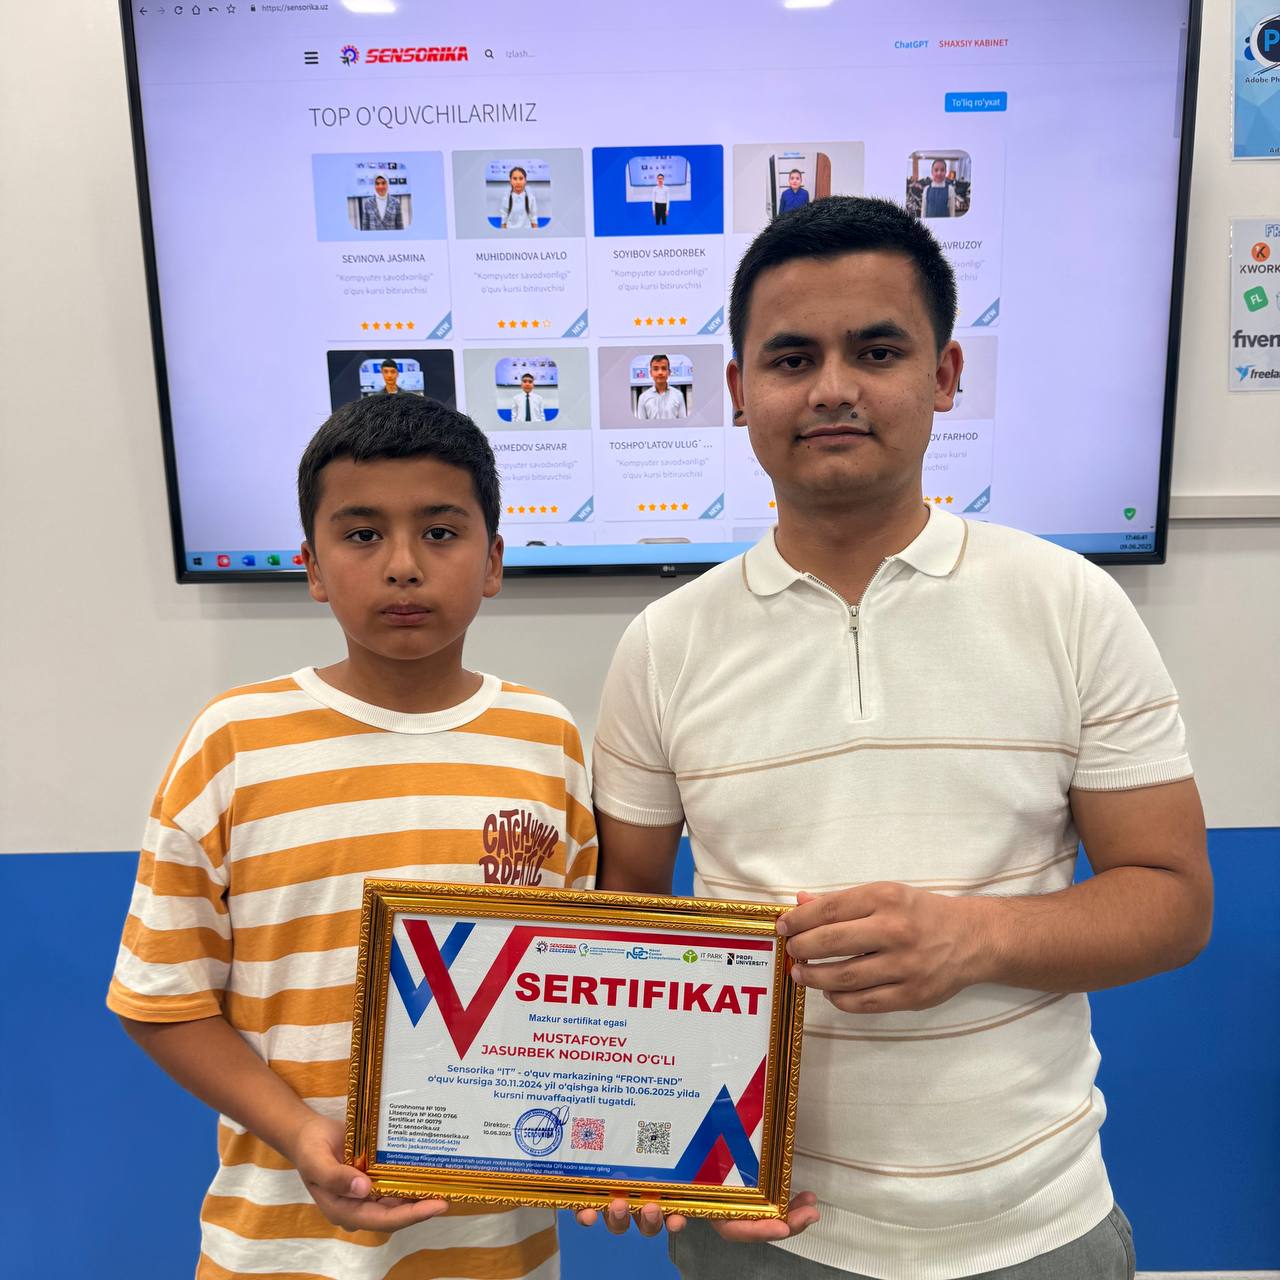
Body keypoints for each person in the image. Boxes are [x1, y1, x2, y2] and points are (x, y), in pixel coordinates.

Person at [590, 196, 1211, 1279]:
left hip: (1035, 1227)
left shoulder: (1069, 604)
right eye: (791, 358)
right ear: (736, 391)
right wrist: (643, 1139)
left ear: (944, 374)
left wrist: (976, 938)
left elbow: (1172, 899)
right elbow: (623, 917)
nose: (832, 387)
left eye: (876, 351)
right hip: (762, 1234)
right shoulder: (663, 644)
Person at [107, 395, 597, 1280]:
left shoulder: (547, 740)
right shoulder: (232, 743)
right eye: (362, 535)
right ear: (313, 567)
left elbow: (581, 988)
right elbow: (161, 996)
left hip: (496, 1250)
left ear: (493, 560)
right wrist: (299, 1131)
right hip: (278, 1249)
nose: (403, 566)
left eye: (440, 533)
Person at [634, 353, 688, 420]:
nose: (660, 372)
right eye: (656, 369)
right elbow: (641, 424)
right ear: (651, 373)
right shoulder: (643, 398)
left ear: (669, 372)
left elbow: (683, 422)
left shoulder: (678, 395)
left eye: (664, 368)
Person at [501, 165, 539, 231]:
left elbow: (534, 219)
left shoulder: (531, 198)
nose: (518, 182)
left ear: (525, 180)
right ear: (510, 181)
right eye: (515, 179)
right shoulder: (506, 198)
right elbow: (504, 221)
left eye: (521, 178)